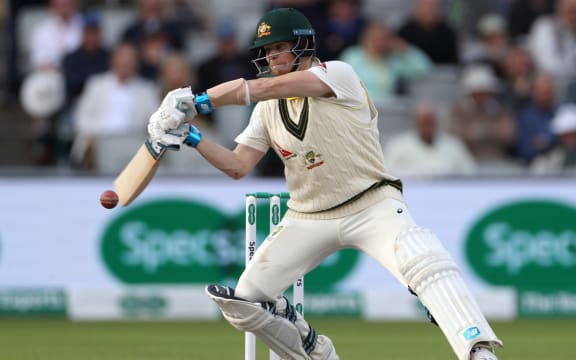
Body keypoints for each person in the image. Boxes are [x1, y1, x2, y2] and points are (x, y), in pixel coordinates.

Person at [145, 8, 503, 360]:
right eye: (266, 51)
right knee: (246, 300)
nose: (271, 57)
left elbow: (265, 87)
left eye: (278, 48)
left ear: (302, 46)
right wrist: (192, 137)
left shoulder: (338, 74)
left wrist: (197, 100)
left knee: (422, 257)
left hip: (371, 204)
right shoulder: (267, 110)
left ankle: (477, 350)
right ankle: (314, 350)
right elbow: (238, 166)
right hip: (307, 216)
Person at [70, 43, 159, 169]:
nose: (125, 63)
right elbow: (81, 117)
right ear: (113, 61)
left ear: (136, 63)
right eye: (122, 59)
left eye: (129, 59)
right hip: (100, 138)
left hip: (133, 141)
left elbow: (156, 121)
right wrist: (99, 133)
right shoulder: (96, 85)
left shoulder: (146, 89)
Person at [339, 20, 433, 104]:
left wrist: (404, 49)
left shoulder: (392, 61)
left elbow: (424, 68)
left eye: (382, 38)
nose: (378, 42)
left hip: (386, 111)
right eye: (374, 38)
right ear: (364, 38)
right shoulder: (352, 56)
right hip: (358, 109)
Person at [383, 102, 477, 178]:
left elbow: (470, 173)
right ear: (415, 123)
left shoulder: (454, 145)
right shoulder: (397, 146)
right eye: (424, 123)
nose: (428, 127)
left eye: (430, 122)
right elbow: (387, 175)